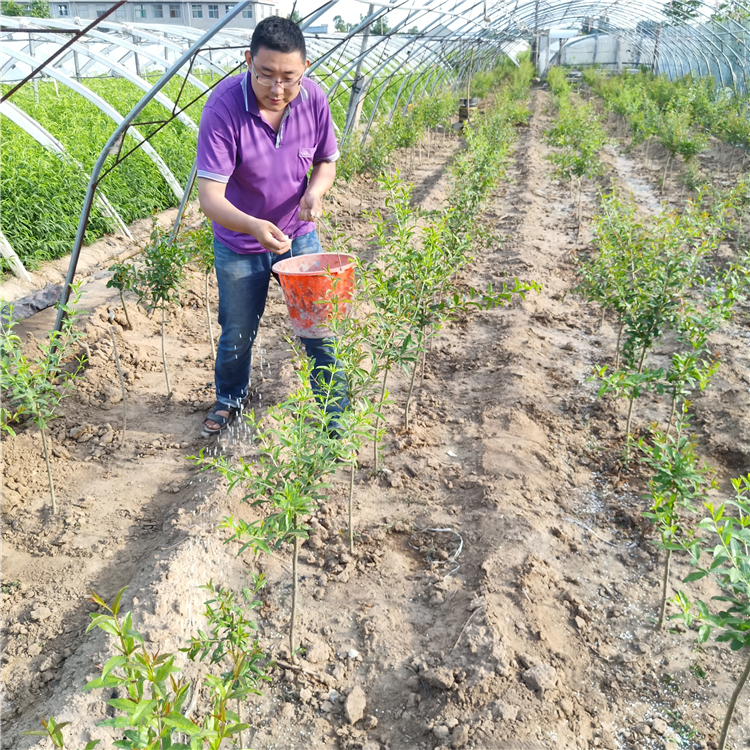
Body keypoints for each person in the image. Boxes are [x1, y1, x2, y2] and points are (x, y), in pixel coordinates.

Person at [196, 16, 343, 435]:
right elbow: (210, 198)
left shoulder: (314, 99)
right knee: (238, 330)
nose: (277, 89)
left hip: (299, 234)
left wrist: (315, 193)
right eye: (266, 76)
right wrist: (255, 227)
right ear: (248, 61)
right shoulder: (223, 108)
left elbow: (326, 162)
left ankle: (334, 410)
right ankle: (230, 397)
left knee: (318, 325)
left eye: (289, 78)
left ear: (306, 69)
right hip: (241, 241)